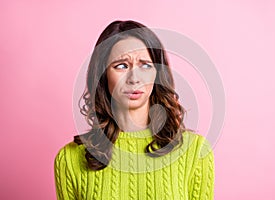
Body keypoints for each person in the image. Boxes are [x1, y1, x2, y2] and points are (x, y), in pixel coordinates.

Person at [54, 20, 215, 200]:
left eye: (145, 65)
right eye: (121, 65)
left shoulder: (195, 152)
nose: (134, 78)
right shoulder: (69, 159)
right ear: (102, 75)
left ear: (157, 73)